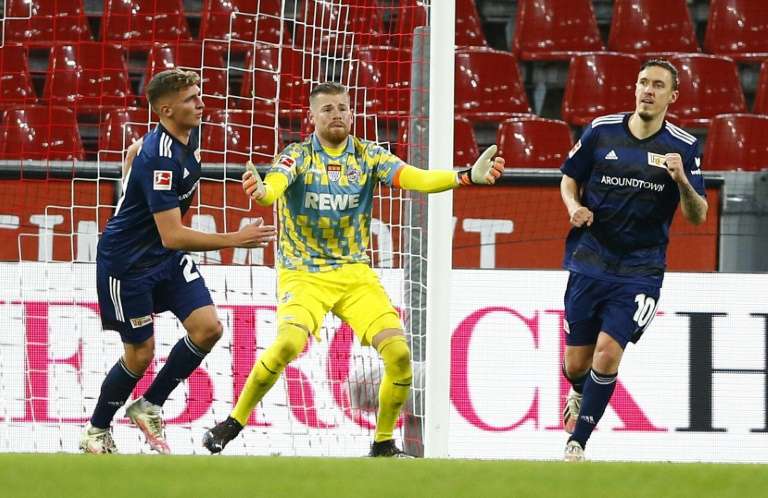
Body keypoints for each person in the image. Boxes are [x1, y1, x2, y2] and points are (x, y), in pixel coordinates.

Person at [202, 81, 505, 457]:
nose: (337, 115)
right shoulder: (296, 155)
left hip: (354, 274)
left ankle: (382, 444)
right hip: (304, 273)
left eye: (343, 107)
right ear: (311, 116)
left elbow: (417, 178)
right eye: (327, 109)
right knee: (287, 345)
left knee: (398, 355)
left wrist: (464, 177)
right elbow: (274, 187)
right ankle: (233, 421)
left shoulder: (369, 156)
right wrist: (262, 192)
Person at [80, 69, 276, 454]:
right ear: (166, 109)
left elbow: (136, 152)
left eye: (198, 95)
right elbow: (173, 234)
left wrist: (131, 165)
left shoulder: (185, 133)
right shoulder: (160, 159)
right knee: (140, 354)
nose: (201, 103)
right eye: (190, 99)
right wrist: (235, 239)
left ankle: (149, 405)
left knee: (208, 328)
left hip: (164, 258)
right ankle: (96, 430)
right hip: (128, 265)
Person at [558, 60, 708, 461]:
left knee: (608, 352)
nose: (648, 90)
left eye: (658, 85)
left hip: (641, 269)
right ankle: (576, 389)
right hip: (590, 258)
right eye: (643, 82)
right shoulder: (601, 130)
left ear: (672, 96)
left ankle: (578, 443)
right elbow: (569, 177)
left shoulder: (684, 147)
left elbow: (698, 215)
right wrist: (573, 205)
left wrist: (682, 182)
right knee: (576, 364)